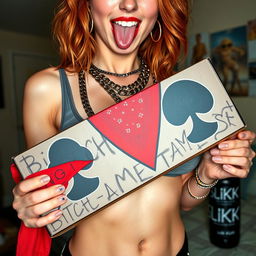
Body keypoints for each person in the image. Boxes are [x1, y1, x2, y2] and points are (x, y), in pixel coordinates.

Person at [12, 0, 255, 256]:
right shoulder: (46, 90)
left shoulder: (179, 88)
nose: (129, 4)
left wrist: (207, 174)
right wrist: (35, 209)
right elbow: (56, 214)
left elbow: (182, 203)